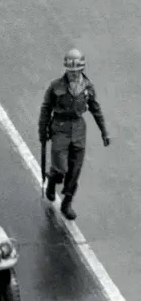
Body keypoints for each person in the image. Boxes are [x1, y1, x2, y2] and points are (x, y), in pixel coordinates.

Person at [38, 49, 110, 220]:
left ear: (82, 69)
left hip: (78, 129)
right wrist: (42, 130)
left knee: (75, 170)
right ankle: (52, 180)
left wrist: (104, 131)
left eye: (76, 70)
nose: (73, 73)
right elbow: (46, 109)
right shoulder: (55, 86)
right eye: (70, 70)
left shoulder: (88, 87)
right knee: (60, 168)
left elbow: (95, 109)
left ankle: (67, 203)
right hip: (60, 129)